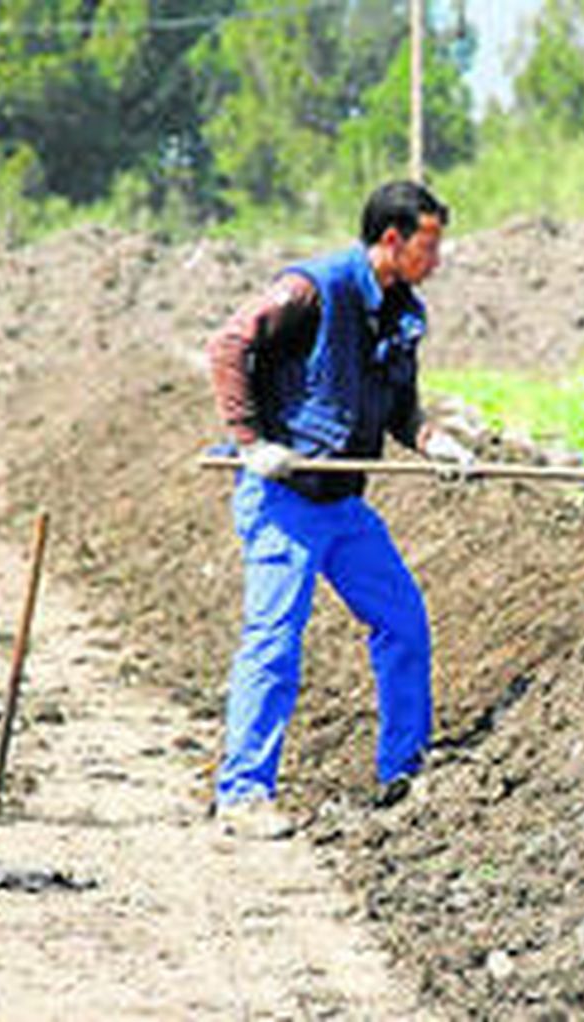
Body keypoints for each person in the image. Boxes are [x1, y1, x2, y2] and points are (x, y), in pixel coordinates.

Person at [205, 180, 473, 839]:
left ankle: (403, 771)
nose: (436, 261)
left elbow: (399, 411)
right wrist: (251, 443)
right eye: (428, 246)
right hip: (285, 499)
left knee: (403, 622)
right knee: (274, 641)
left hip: (343, 505)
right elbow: (229, 346)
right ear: (392, 240)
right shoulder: (313, 290)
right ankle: (243, 794)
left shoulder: (401, 314)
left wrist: (434, 441)